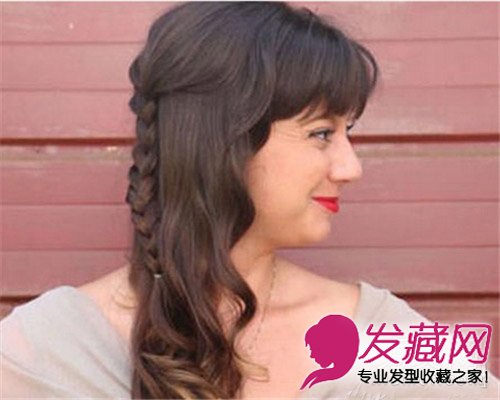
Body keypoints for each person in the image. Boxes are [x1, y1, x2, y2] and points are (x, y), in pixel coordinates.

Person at [0, 2, 498, 399]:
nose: (351, 168)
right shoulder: (48, 347)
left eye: (348, 133)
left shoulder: (381, 334)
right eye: (321, 133)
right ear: (224, 141)